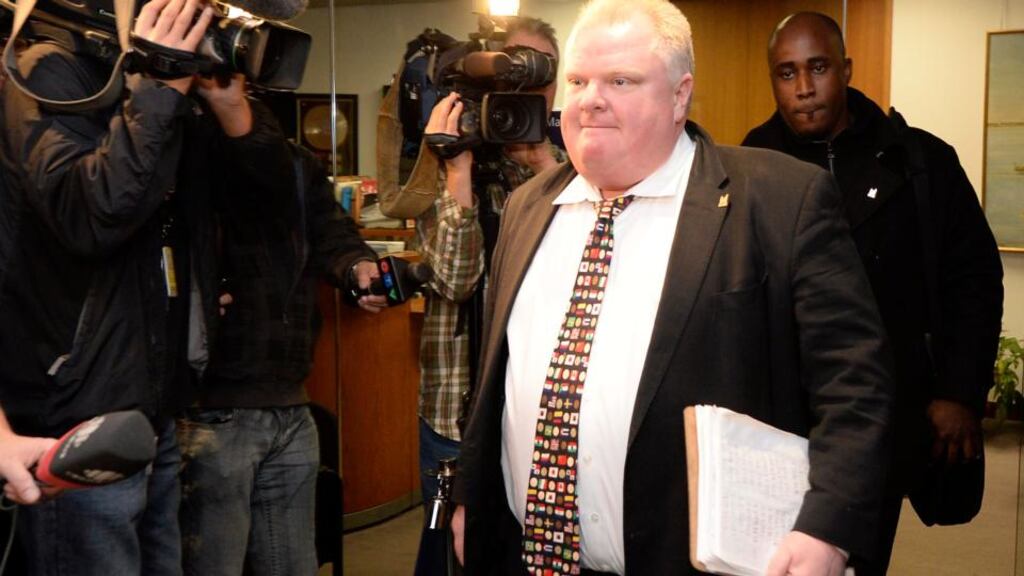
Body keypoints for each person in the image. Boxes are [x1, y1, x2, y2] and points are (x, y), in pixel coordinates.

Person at [452, 1, 894, 574]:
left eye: (620, 80)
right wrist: (472, 494)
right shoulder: (528, 206)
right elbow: (499, 374)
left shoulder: (780, 201)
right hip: (526, 558)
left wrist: (828, 526)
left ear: (680, 95)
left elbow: (855, 383)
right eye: (579, 80)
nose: (590, 99)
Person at [0, 0, 293, 572]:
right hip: (77, 409)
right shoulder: (45, 68)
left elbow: (272, 208)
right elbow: (92, 215)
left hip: (155, 406)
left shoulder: (165, 88)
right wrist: (158, 86)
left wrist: (227, 105)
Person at [742, 12, 1003, 574]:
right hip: (782, 420)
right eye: (786, 73)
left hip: (887, 417)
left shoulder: (918, 160)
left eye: (818, 68)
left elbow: (974, 281)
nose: (804, 89)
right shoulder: (750, 167)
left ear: (846, 69)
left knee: (853, 558)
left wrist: (960, 391)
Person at [176, 142, 386, 576]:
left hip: (291, 403)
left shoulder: (289, 160)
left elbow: (332, 231)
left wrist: (356, 267)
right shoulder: (185, 148)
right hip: (213, 408)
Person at [413, 15, 566, 575]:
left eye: (539, 77)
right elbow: (455, 280)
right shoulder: (447, 156)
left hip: (533, 409)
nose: (523, 90)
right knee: (443, 555)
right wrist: (457, 168)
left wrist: (543, 167)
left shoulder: (575, 171)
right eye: (512, 71)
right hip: (456, 407)